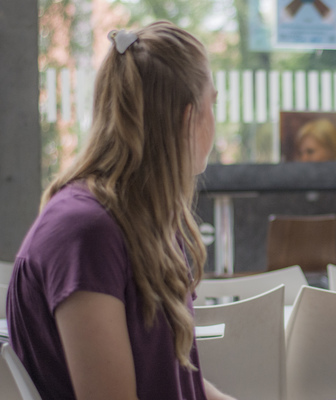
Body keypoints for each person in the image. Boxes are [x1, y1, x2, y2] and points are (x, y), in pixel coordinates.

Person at [6, 22, 235, 400]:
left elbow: (176, 382)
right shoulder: (86, 232)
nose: (215, 118)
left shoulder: (137, 219)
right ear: (189, 117)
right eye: (213, 103)